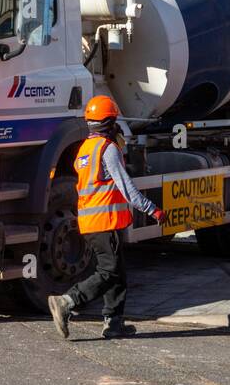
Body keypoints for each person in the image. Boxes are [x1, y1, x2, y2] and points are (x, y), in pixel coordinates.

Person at [48, 95, 165, 341]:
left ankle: (114, 323)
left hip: (90, 222)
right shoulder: (107, 149)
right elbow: (126, 187)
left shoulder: (84, 149)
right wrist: (152, 209)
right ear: (110, 122)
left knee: (118, 272)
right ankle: (67, 301)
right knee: (109, 271)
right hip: (103, 221)